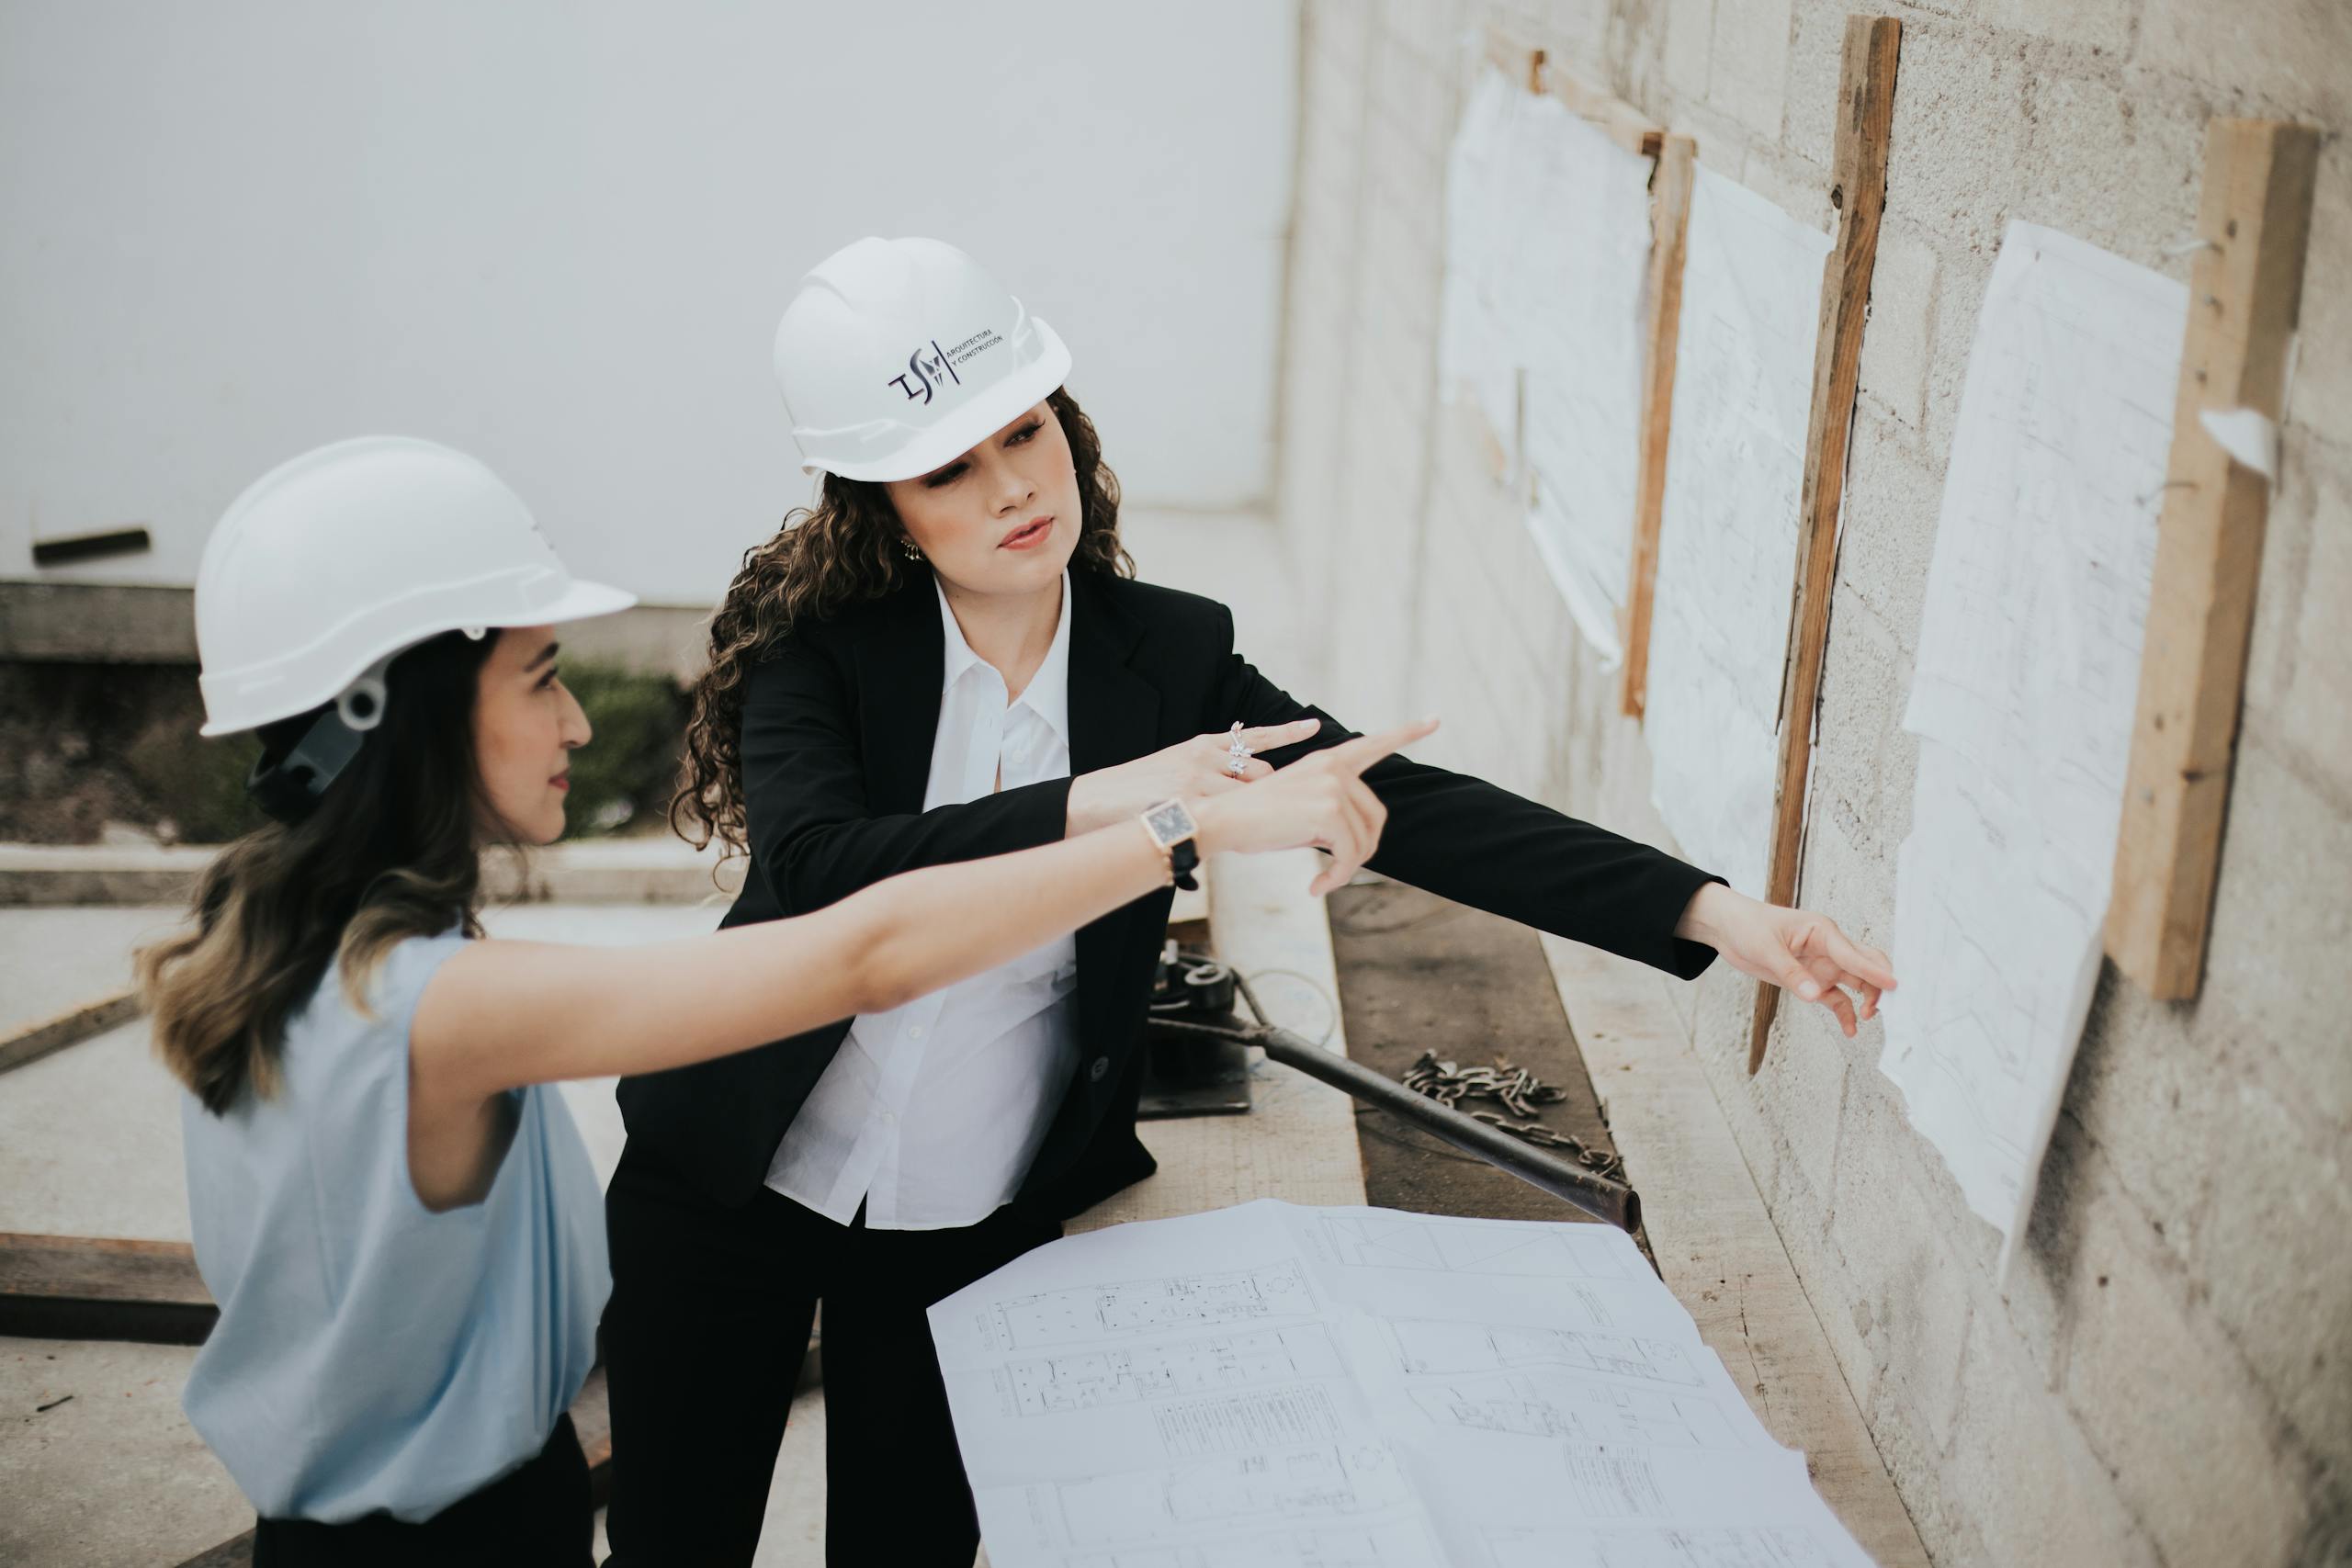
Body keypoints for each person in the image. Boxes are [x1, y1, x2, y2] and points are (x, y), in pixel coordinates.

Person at [600, 237, 1898, 1566]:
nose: (1013, 488)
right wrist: (1124, 803)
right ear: (883, 506)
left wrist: (1715, 912)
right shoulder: (820, 653)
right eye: (949, 470)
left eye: (1025, 432)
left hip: (966, 1219)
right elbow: (826, 869)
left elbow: (1408, 805)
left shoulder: (1169, 659)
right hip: (727, 1179)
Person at [141, 434, 1423, 1567]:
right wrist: (1180, 823)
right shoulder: (432, 1008)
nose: (578, 723)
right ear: (409, 712)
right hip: (456, 1543)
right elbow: (865, 955)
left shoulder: (283, 951)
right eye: (542, 675)